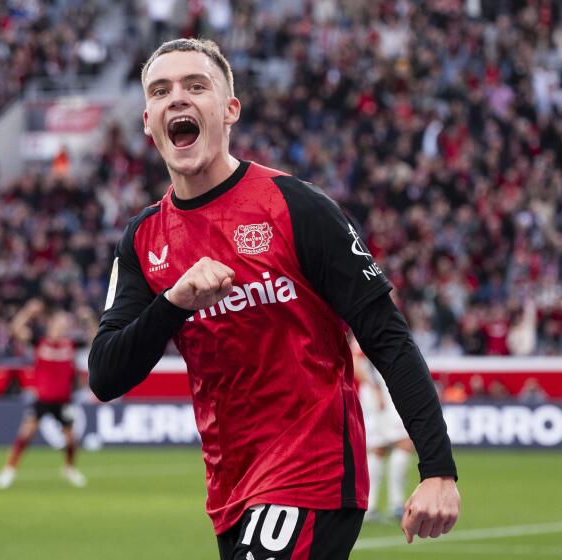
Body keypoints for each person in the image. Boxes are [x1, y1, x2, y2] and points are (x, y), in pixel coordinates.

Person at [88, 38, 460, 559]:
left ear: (230, 109)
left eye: (197, 86)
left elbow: (387, 336)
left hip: (313, 469)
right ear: (148, 121)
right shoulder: (143, 238)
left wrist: (438, 468)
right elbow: (105, 375)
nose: (178, 98)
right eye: (161, 90)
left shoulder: (296, 207)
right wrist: (172, 303)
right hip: (231, 488)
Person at [0, 300, 86, 489]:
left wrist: (90, 319)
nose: (63, 327)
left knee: (71, 439)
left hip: (63, 400)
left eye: (66, 324)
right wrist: (28, 311)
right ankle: (9, 469)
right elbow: (14, 329)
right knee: (26, 433)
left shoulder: (71, 344)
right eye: (60, 323)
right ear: (52, 324)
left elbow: (96, 338)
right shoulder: (39, 341)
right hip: (43, 398)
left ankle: (68, 469)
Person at [351, 336, 414, 523]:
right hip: (379, 394)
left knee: (379, 449)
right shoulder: (367, 323)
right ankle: (393, 504)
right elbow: (355, 360)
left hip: (383, 392)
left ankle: (372, 505)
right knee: (402, 443)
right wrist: (374, 388)